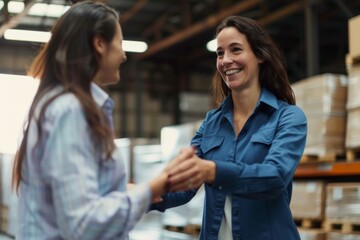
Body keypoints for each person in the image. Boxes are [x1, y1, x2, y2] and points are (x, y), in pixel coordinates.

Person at [12, 1, 199, 239]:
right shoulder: (70, 111)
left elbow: (77, 194)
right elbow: (84, 224)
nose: (123, 54)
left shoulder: (67, 106)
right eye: (120, 43)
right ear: (99, 44)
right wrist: (157, 185)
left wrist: (128, 190)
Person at [151, 15, 307, 240]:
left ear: (260, 56)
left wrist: (213, 171)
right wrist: (144, 194)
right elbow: (185, 185)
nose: (225, 60)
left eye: (236, 50)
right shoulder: (211, 122)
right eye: (220, 53)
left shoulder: (288, 117)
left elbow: (275, 177)